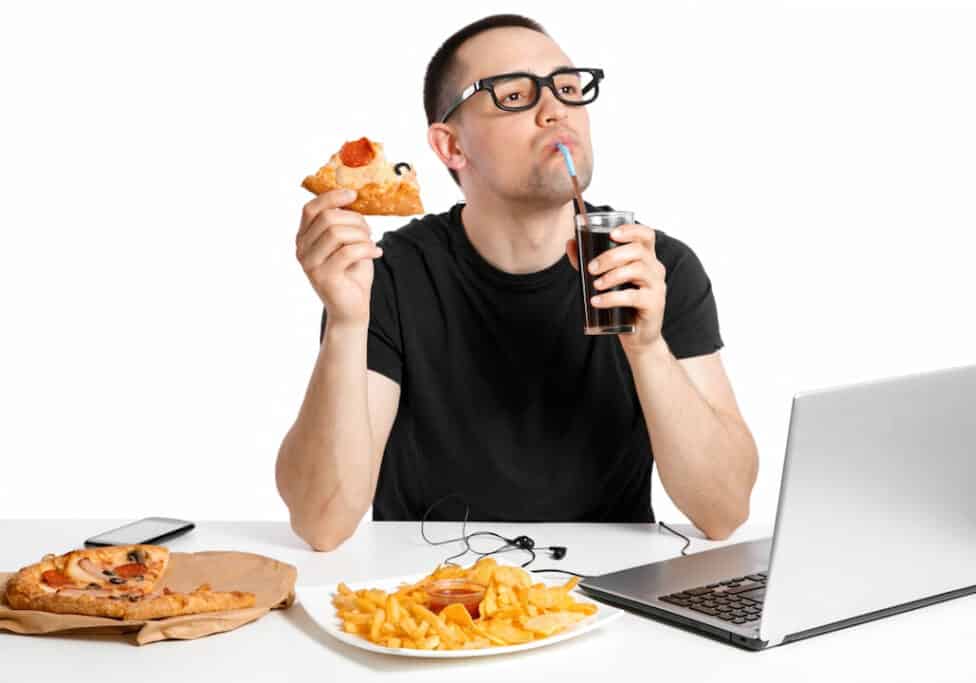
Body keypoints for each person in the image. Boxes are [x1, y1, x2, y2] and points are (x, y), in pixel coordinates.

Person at [276, 14, 758, 552]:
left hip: (610, 598)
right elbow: (322, 523)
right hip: (426, 598)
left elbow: (724, 511)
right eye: (515, 95)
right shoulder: (389, 274)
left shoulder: (654, 268)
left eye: (569, 88)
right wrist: (346, 323)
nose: (556, 109)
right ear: (451, 146)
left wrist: (647, 349)